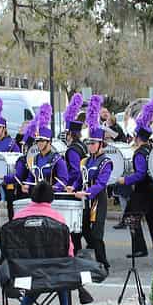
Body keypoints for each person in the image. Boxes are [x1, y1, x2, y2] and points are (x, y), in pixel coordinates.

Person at [8, 180, 81, 305]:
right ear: (51, 198)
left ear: (32, 197)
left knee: (37, 275)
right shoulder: (58, 218)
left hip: (22, 270)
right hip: (53, 269)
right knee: (61, 270)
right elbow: (68, 250)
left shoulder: (18, 217)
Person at [73, 95, 113, 272]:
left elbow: (101, 184)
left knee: (97, 235)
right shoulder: (87, 160)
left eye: (93, 143)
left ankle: (103, 264)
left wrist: (86, 192)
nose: (89, 146)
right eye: (89, 143)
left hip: (98, 200)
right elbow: (80, 178)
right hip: (86, 199)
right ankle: (82, 261)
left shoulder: (106, 162)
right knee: (80, 230)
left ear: (100, 144)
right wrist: (72, 187)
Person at [121, 99, 153, 258]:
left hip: (142, 190)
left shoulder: (140, 153)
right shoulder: (151, 150)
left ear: (138, 137)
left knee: (131, 217)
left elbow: (140, 174)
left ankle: (139, 248)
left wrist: (124, 180)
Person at [62, 93, 88, 251]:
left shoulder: (72, 150)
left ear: (71, 134)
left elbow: (74, 170)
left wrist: (70, 185)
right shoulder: (83, 145)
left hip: (76, 186)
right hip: (83, 183)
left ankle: (76, 246)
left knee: (76, 219)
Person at [0, 98, 20, 226]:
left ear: (4, 128)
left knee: (11, 202)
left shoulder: (12, 143)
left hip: (8, 175)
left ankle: (12, 225)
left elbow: (18, 158)